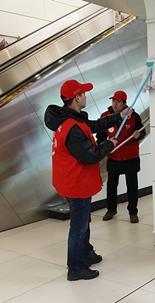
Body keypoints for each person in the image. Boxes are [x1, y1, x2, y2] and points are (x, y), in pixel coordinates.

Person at [45, 80, 131, 281]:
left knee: (84, 221)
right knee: (79, 226)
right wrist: (108, 144)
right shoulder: (72, 128)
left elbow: (94, 125)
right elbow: (90, 155)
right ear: (76, 98)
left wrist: (119, 116)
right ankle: (75, 268)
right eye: (83, 93)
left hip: (74, 181)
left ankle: (85, 254)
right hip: (76, 183)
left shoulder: (73, 119)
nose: (85, 96)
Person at [97, 91, 145, 223]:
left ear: (124, 103)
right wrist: (103, 146)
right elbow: (100, 137)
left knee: (132, 186)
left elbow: (142, 132)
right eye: (113, 101)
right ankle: (111, 210)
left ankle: (133, 212)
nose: (115, 104)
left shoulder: (133, 116)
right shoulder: (106, 116)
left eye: (118, 102)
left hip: (131, 157)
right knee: (111, 186)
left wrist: (138, 135)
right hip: (114, 157)